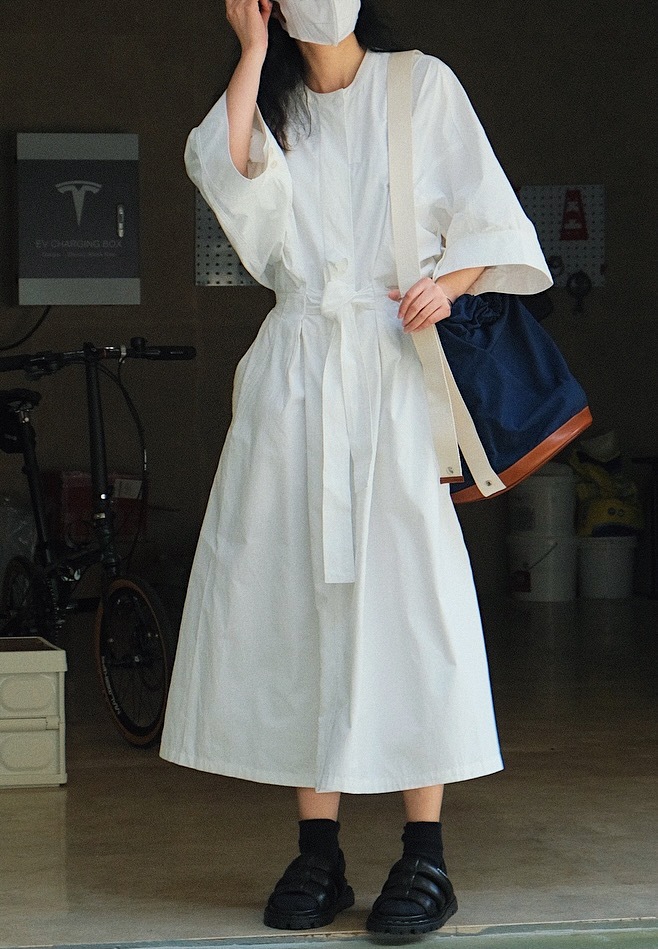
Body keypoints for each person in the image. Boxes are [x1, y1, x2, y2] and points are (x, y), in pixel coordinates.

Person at [161, 0, 552, 935]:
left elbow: (491, 217)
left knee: (413, 602)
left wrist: (445, 282)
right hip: (296, 381)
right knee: (301, 601)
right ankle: (318, 851)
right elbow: (224, 170)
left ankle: (426, 855)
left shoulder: (420, 83)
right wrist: (251, 50)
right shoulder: (271, 105)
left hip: (393, 375)